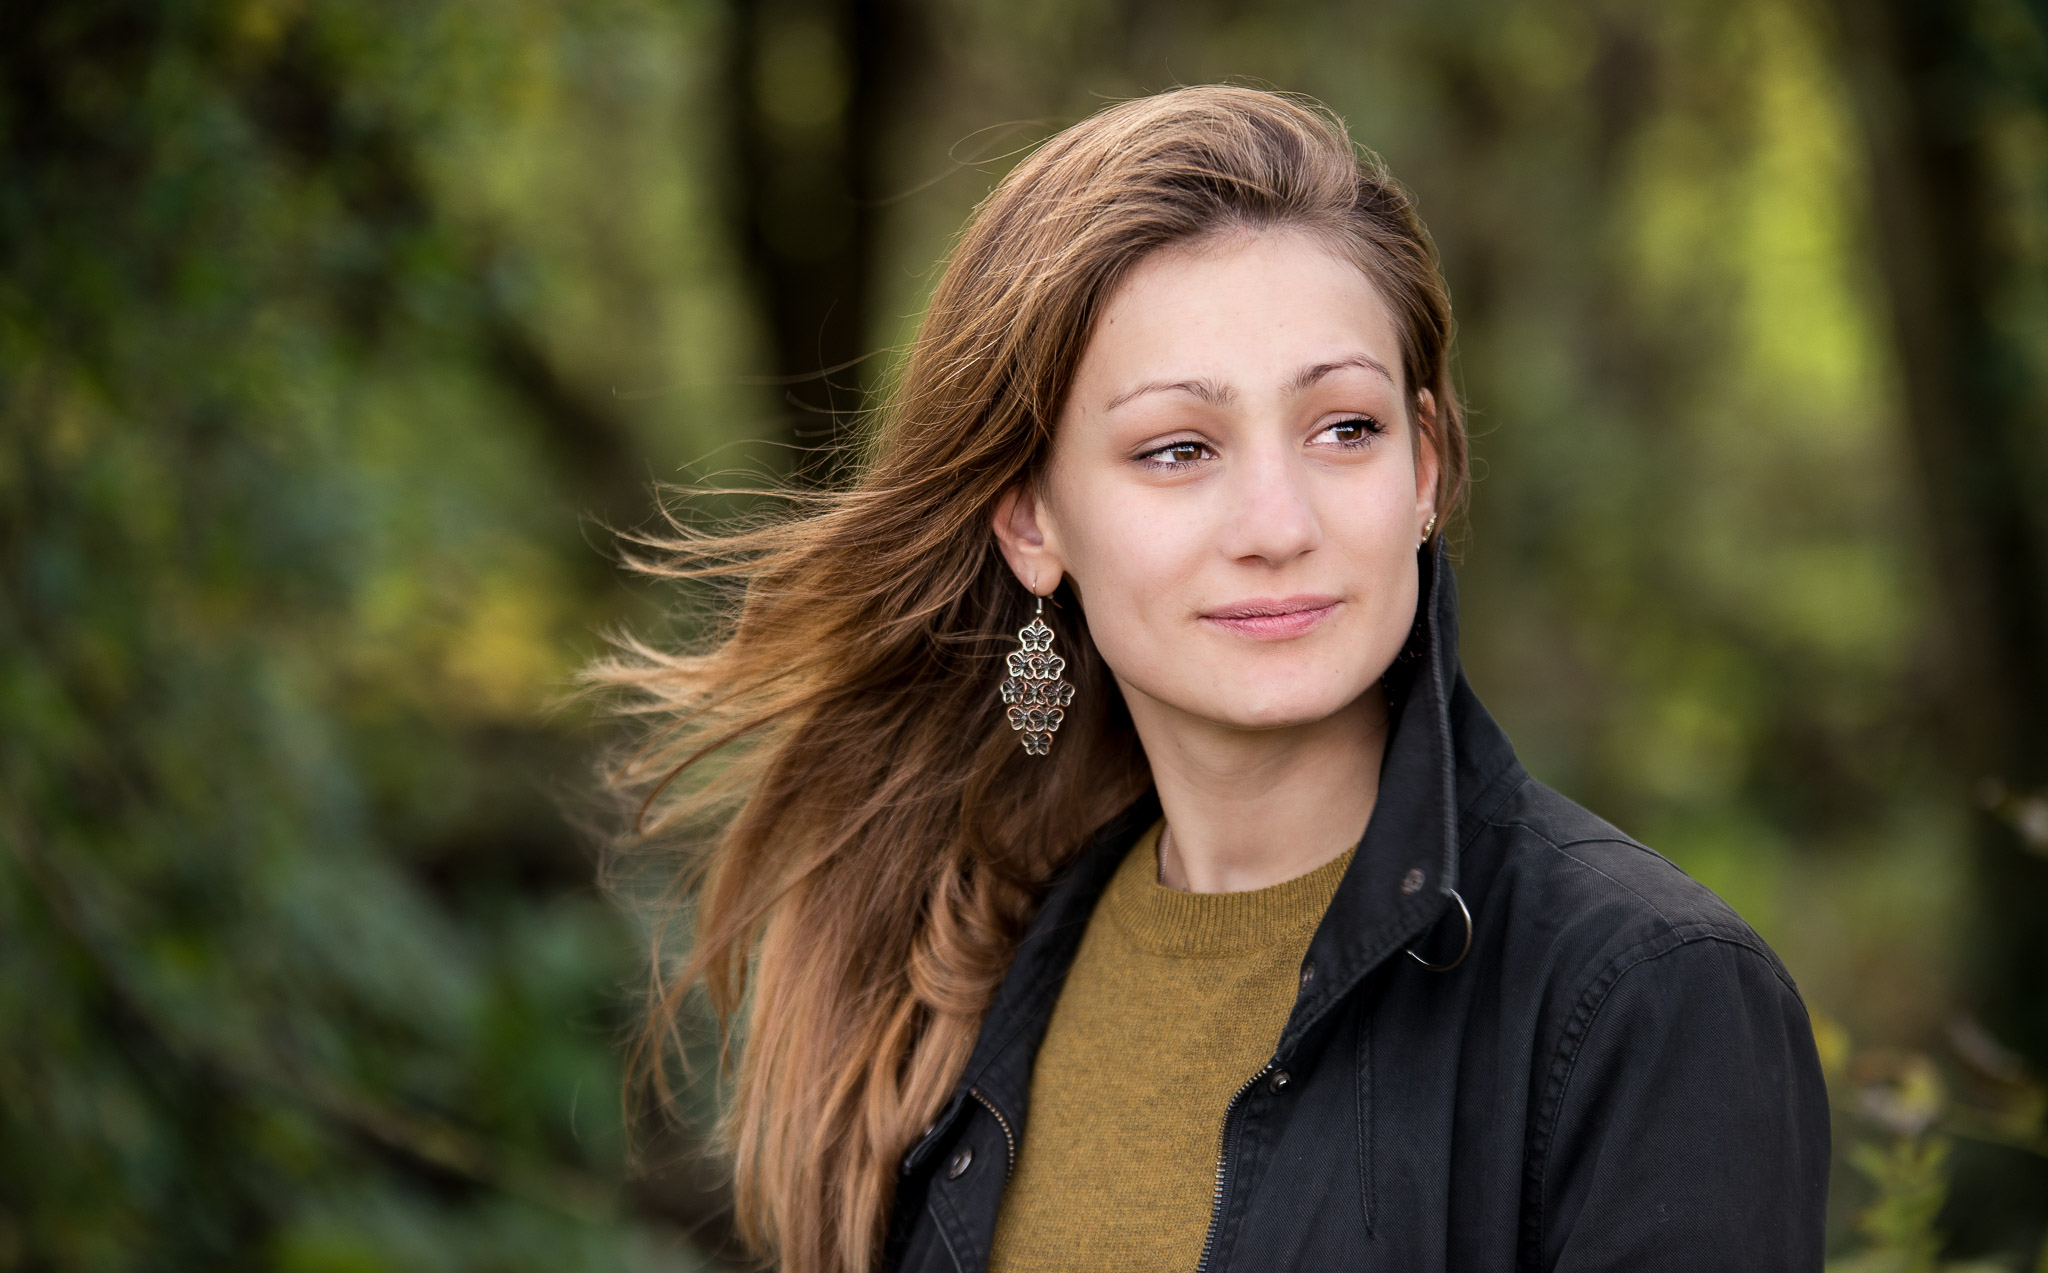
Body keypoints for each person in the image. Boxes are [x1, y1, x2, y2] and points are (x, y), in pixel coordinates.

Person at [598, 84, 1830, 1273]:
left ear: (1424, 470)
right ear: (1030, 523)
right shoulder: (962, 978)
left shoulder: (1646, 996)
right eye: (1177, 448)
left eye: (1343, 429)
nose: (1275, 521)